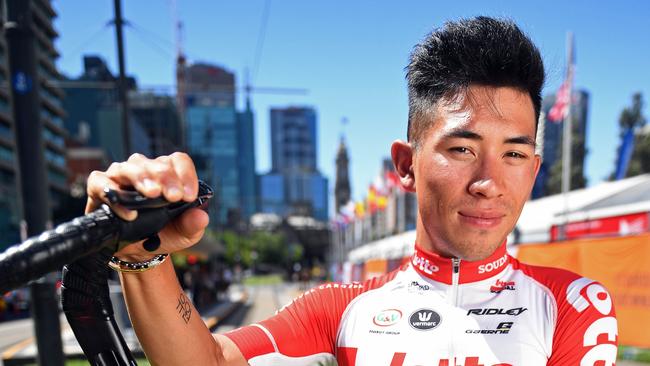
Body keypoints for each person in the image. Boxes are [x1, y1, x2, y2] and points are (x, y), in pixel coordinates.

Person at [85, 16, 618, 365]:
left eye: (515, 154)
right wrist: (141, 253)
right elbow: (202, 361)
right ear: (406, 167)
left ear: (534, 167)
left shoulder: (573, 305)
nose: (489, 183)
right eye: (461, 149)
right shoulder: (344, 306)